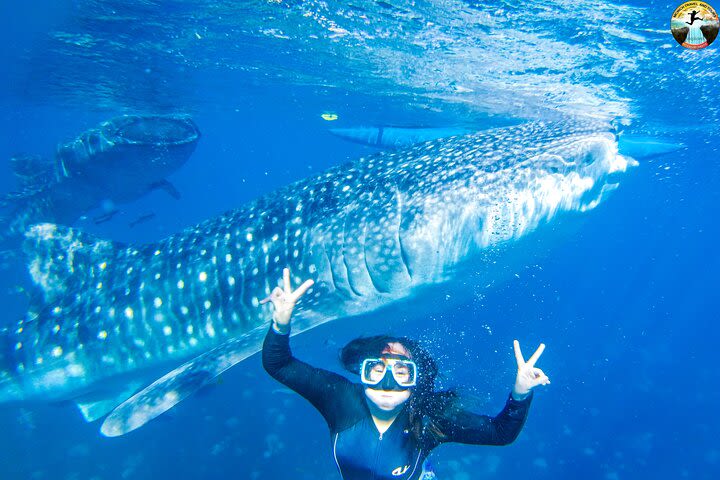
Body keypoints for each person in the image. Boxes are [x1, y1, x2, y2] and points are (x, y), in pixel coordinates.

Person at [261, 268, 550, 480]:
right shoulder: (340, 399)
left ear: (415, 379)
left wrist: (521, 392)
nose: (388, 383)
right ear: (363, 373)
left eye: (402, 371)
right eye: (377, 369)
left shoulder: (429, 419)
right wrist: (281, 322)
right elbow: (280, 365)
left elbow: (501, 434)